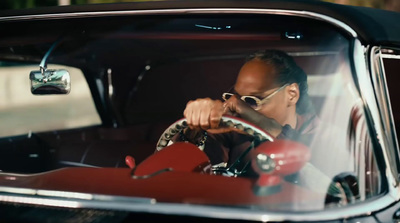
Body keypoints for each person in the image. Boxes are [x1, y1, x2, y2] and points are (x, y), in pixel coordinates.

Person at [179, 49, 319, 175]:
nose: (240, 108)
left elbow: (322, 176)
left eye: (252, 100)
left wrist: (268, 127)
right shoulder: (235, 130)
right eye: (237, 98)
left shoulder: (323, 134)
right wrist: (196, 128)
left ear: (292, 94)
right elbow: (182, 172)